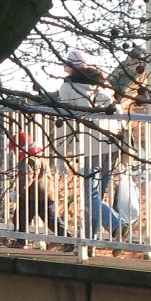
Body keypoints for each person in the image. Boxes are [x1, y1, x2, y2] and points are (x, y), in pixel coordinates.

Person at [57, 49, 131, 244]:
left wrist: (61, 154)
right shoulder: (104, 85)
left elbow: (66, 121)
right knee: (97, 197)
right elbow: (119, 112)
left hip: (90, 145)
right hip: (113, 142)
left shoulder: (68, 88)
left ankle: (117, 225)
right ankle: (91, 242)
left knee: (91, 198)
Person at [9, 131, 73, 250]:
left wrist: (17, 191)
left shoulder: (27, 159)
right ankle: (69, 239)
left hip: (32, 195)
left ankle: (21, 240)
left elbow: (26, 178)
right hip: (47, 194)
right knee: (52, 219)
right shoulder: (39, 155)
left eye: (14, 149)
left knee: (20, 217)